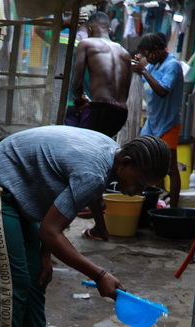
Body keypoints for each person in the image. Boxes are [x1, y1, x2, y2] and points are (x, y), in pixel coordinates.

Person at [0, 126, 170, 327]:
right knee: (14, 282)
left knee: (37, 277)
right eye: (139, 184)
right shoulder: (93, 173)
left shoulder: (112, 153)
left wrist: (45, 253)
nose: (138, 191)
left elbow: (56, 211)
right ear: (127, 163)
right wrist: (99, 275)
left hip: (20, 191)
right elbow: (50, 231)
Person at [71, 11, 132, 241]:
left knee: (89, 163)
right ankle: (95, 202)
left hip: (100, 107)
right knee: (104, 159)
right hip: (120, 110)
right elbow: (124, 91)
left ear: (91, 29)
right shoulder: (125, 52)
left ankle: (100, 225)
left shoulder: (86, 43)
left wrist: (79, 100)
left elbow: (77, 81)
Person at [131, 32, 184, 208]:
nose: (146, 58)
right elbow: (141, 63)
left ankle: (173, 209)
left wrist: (144, 71)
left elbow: (162, 91)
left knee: (170, 168)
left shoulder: (172, 66)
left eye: (147, 54)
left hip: (168, 124)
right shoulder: (155, 64)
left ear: (155, 51)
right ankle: (157, 201)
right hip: (152, 124)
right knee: (148, 162)